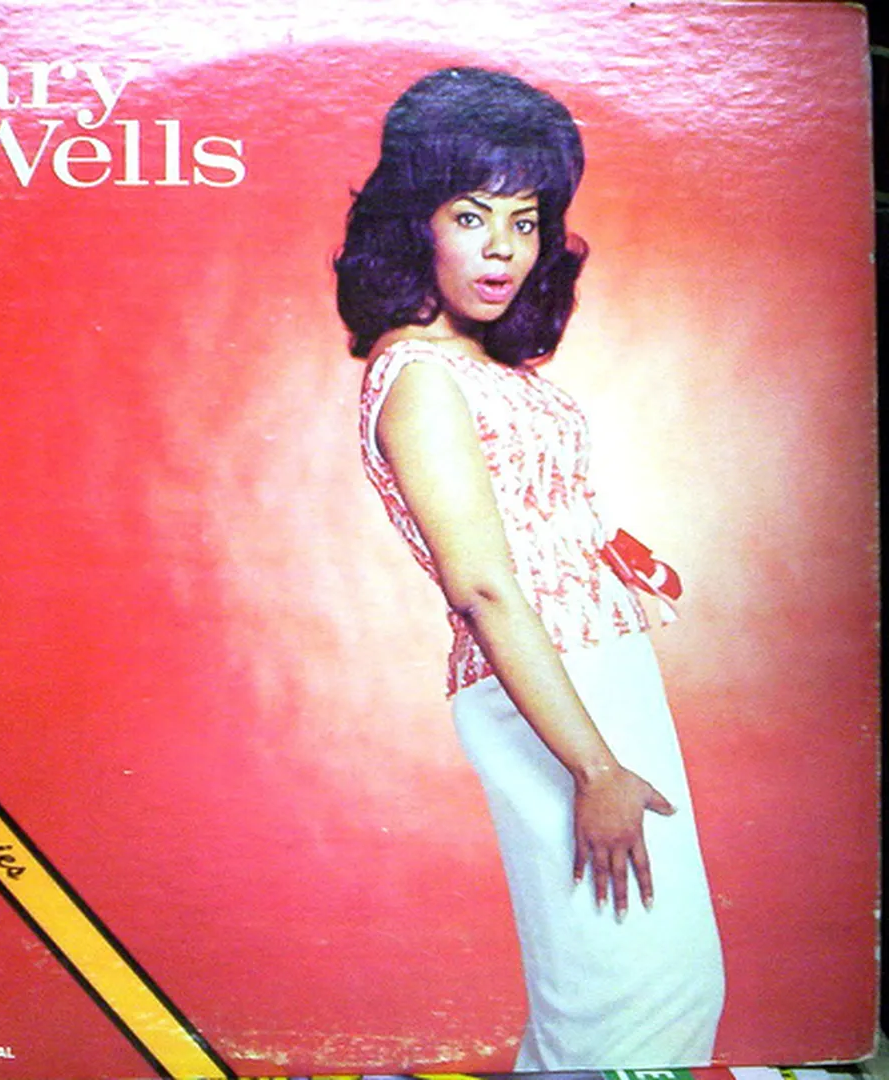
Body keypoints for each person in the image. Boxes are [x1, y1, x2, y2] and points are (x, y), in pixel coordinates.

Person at [335, 67, 725, 1070]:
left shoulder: (481, 366)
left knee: (657, 981)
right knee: (628, 993)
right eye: (471, 216)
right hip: (544, 687)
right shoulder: (419, 376)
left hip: (591, 671)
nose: (503, 247)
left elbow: (545, 516)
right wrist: (594, 769)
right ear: (416, 225)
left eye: (525, 220)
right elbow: (481, 586)